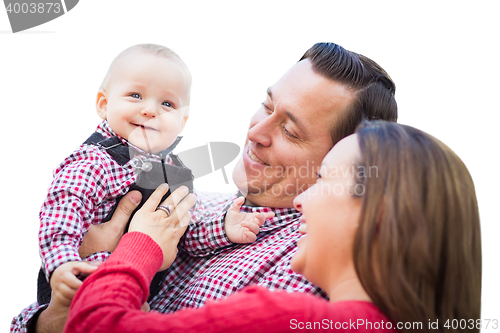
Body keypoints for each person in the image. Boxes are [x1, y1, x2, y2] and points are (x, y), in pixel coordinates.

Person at [11, 42, 397, 332]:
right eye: (266, 105)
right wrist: (50, 315)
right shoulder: (198, 201)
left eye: (290, 131)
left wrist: (133, 248)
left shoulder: (306, 268)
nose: (256, 131)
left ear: (344, 158)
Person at [63, 121, 482, 333]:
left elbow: (95, 325)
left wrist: (139, 245)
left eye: (322, 181)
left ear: (376, 215)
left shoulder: (285, 317)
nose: (301, 202)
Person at [12, 44, 272, 333]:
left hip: (134, 303)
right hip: (82, 283)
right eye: (135, 95)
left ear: (182, 121)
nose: (150, 110)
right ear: (103, 104)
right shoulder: (96, 160)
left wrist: (223, 228)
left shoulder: (177, 174)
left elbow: (183, 233)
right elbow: (62, 212)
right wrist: (63, 264)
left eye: (168, 104)